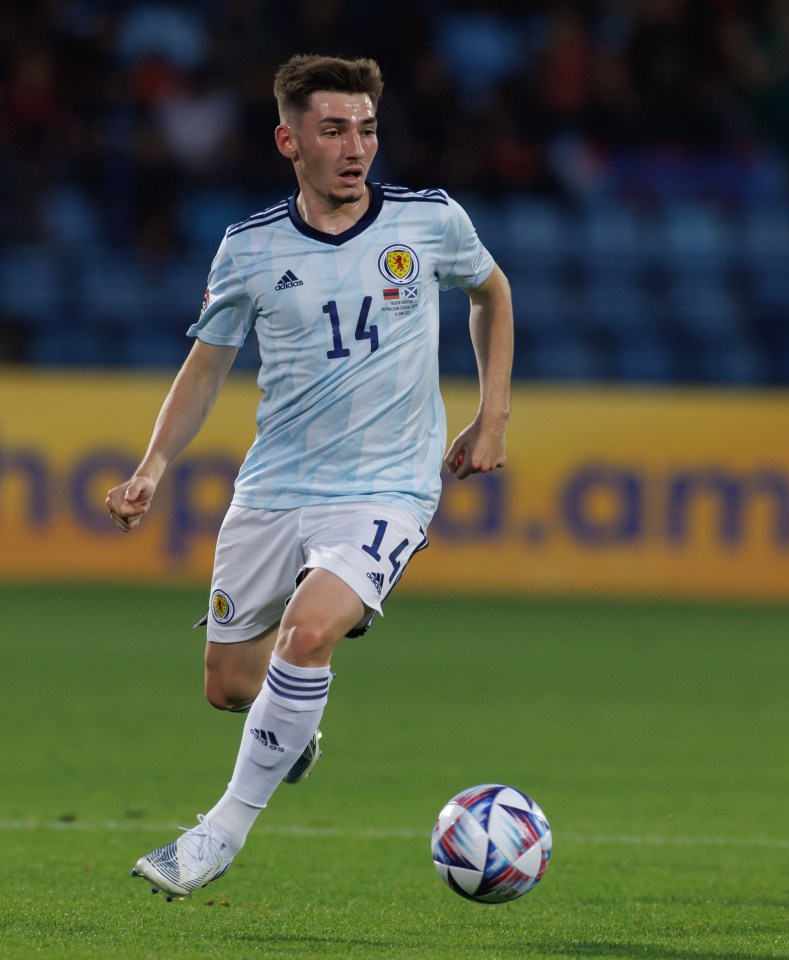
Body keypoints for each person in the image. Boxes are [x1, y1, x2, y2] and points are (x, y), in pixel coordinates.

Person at [105, 53, 513, 902]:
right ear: (289, 140)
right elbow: (206, 368)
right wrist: (151, 467)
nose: (354, 146)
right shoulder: (249, 247)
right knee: (228, 685)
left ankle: (217, 834)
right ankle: (291, 732)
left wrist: (492, 413)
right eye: (333, 129)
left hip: (386, 487)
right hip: (273, 487)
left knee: (307, 634)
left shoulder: (428, 221)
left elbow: (491, 292)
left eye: (365, 128)